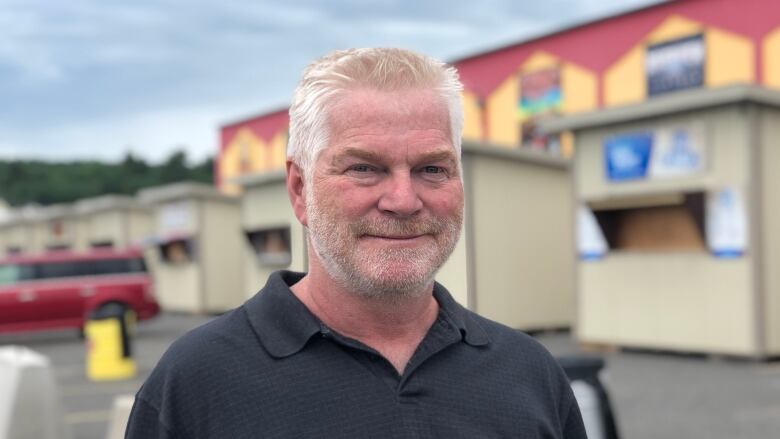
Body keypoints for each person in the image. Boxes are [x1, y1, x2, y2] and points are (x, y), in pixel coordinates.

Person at [125, 48, 586, 438]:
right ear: (300, 189)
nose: (403, 201)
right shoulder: (197, 382)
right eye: (364, 168)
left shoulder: (528, 374)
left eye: (433, 168)